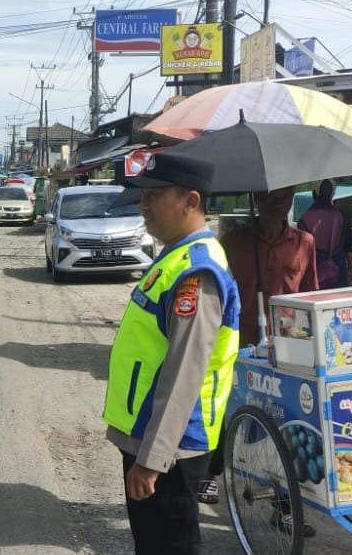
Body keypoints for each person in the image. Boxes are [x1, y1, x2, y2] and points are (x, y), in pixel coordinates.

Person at [104, 154, 242, 555]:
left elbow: (185, 372)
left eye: (155, 195)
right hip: (152, 435)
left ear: (191, 201)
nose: (143, 204)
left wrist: (152, 459)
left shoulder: (196, 272)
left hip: (170, 447)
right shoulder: (175, 256)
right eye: (143, 195)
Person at [197, 188, 319, 510]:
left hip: (286, 348)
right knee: (225, 408)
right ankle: (210, 471)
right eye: (268, 197)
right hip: (237, 343)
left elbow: (310, 295)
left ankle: (285, 504)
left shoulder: (304, 242)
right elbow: (214, 293)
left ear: (291, 200)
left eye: (283, 196)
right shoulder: (233, 243)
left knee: (285, 419)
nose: (276, 203)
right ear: (256, 198)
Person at [297, 180, 352, 290]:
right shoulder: (341, 216)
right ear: (332, 194)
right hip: (338, 270)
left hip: (314, 270)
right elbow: (349, 246)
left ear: (314, 193)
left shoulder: (304, 219)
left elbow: (301, 252)